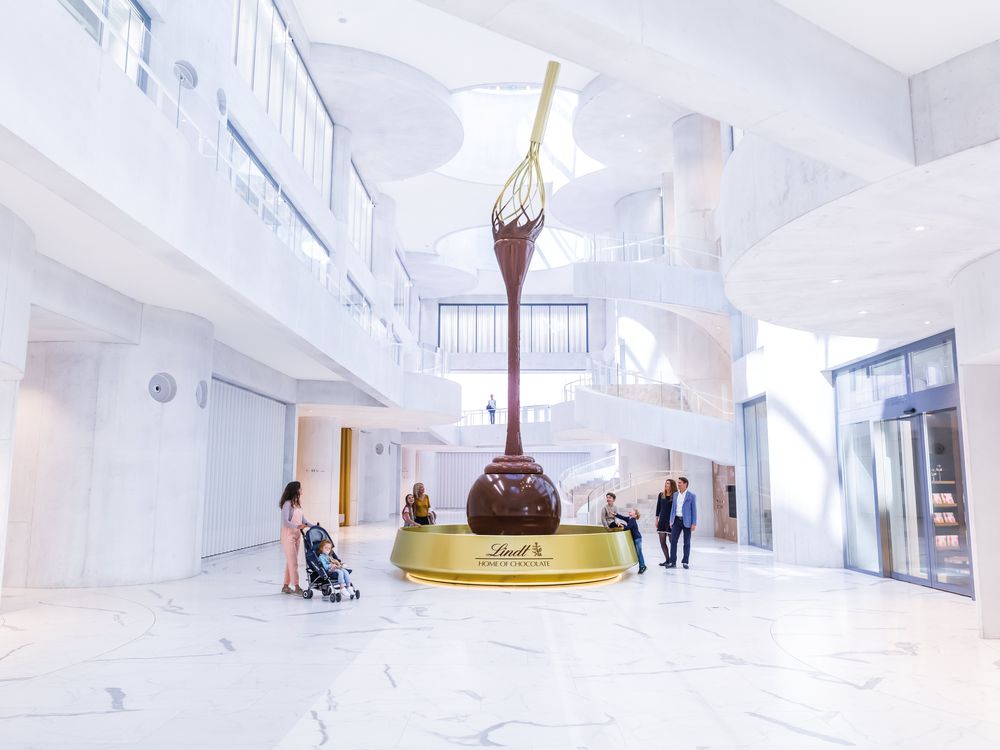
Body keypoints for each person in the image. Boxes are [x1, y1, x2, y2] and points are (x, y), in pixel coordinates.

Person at [279, 481, 313, 594]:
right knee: (293, 562)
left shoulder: (297, 504)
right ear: (295, 490)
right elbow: (286, 522)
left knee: (290, 562)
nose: (301, 490)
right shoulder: (287, 504)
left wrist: (316, 526)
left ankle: (285, 586)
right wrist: (298, 526)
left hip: (298, 536)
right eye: (300, 488)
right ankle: (297, 586)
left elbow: (305, 521)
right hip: (288, 536)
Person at [667, 476, 697, 569]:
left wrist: (694, 523)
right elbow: (673, 508)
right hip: (676, 520)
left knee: (686, 542)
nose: (678, 484)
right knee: (673, 541)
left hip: (687, 522)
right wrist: (671, 520)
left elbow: (694, 510)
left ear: (685, 484)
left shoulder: (691, 496)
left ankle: (685, 562)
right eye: (678, 483)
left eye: (680, 483)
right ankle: (673, 562)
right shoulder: (675, 494)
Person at [615, 507, 647, 574]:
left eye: (632, 511)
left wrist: (621, 526)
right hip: (635, 539)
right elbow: (622, 517)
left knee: (639, 553)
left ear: (635, 515)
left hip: (637, 539)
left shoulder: (632, 520)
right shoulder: (629, 518)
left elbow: (628, 527)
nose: (630, 511)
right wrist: (615, 514)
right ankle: (642, 566)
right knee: (638, 553)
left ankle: (642, 566)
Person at [655, 478, 678, 566]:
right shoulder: (661, 495)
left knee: (672, 541)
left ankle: (673, 561)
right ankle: (667, 560)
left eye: (668, 483)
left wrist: (674, 521)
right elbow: (658, 508)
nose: (666, 485)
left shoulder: (675, 496)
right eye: (665, 483)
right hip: (662, 521)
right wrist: (656, 519)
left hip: (671, 521)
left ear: (671, 485)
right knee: (662, 541)